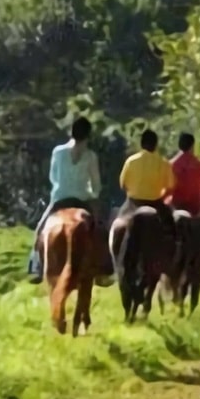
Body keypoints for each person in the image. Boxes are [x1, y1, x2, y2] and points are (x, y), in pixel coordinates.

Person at [27, 116, 111, 285]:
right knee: (102, 231)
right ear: (88, 135)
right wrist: (92, 194)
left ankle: (36, 266)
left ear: (71, 132)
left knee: (40, 230)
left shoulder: (58, 152)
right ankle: (103, 270)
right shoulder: (90, 156)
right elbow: (96, 186)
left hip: (60, 198)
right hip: (82, 199)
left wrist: (63, 186)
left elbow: (53, 177)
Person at [120, 128, 177, 235]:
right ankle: (178, 244)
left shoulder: (131, 161)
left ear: (141, 144)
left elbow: (123, 185)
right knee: (172, 226)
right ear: (156, 145)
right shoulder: (164, 163)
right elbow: (171, 187)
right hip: (156, 203)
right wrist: (161, 196)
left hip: (134, 202)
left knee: (117, 222)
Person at [167, 132, 200, 215]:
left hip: (177, 203)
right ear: (192, 146)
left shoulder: (171, 164)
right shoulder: (199, 164)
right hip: (195, 205)